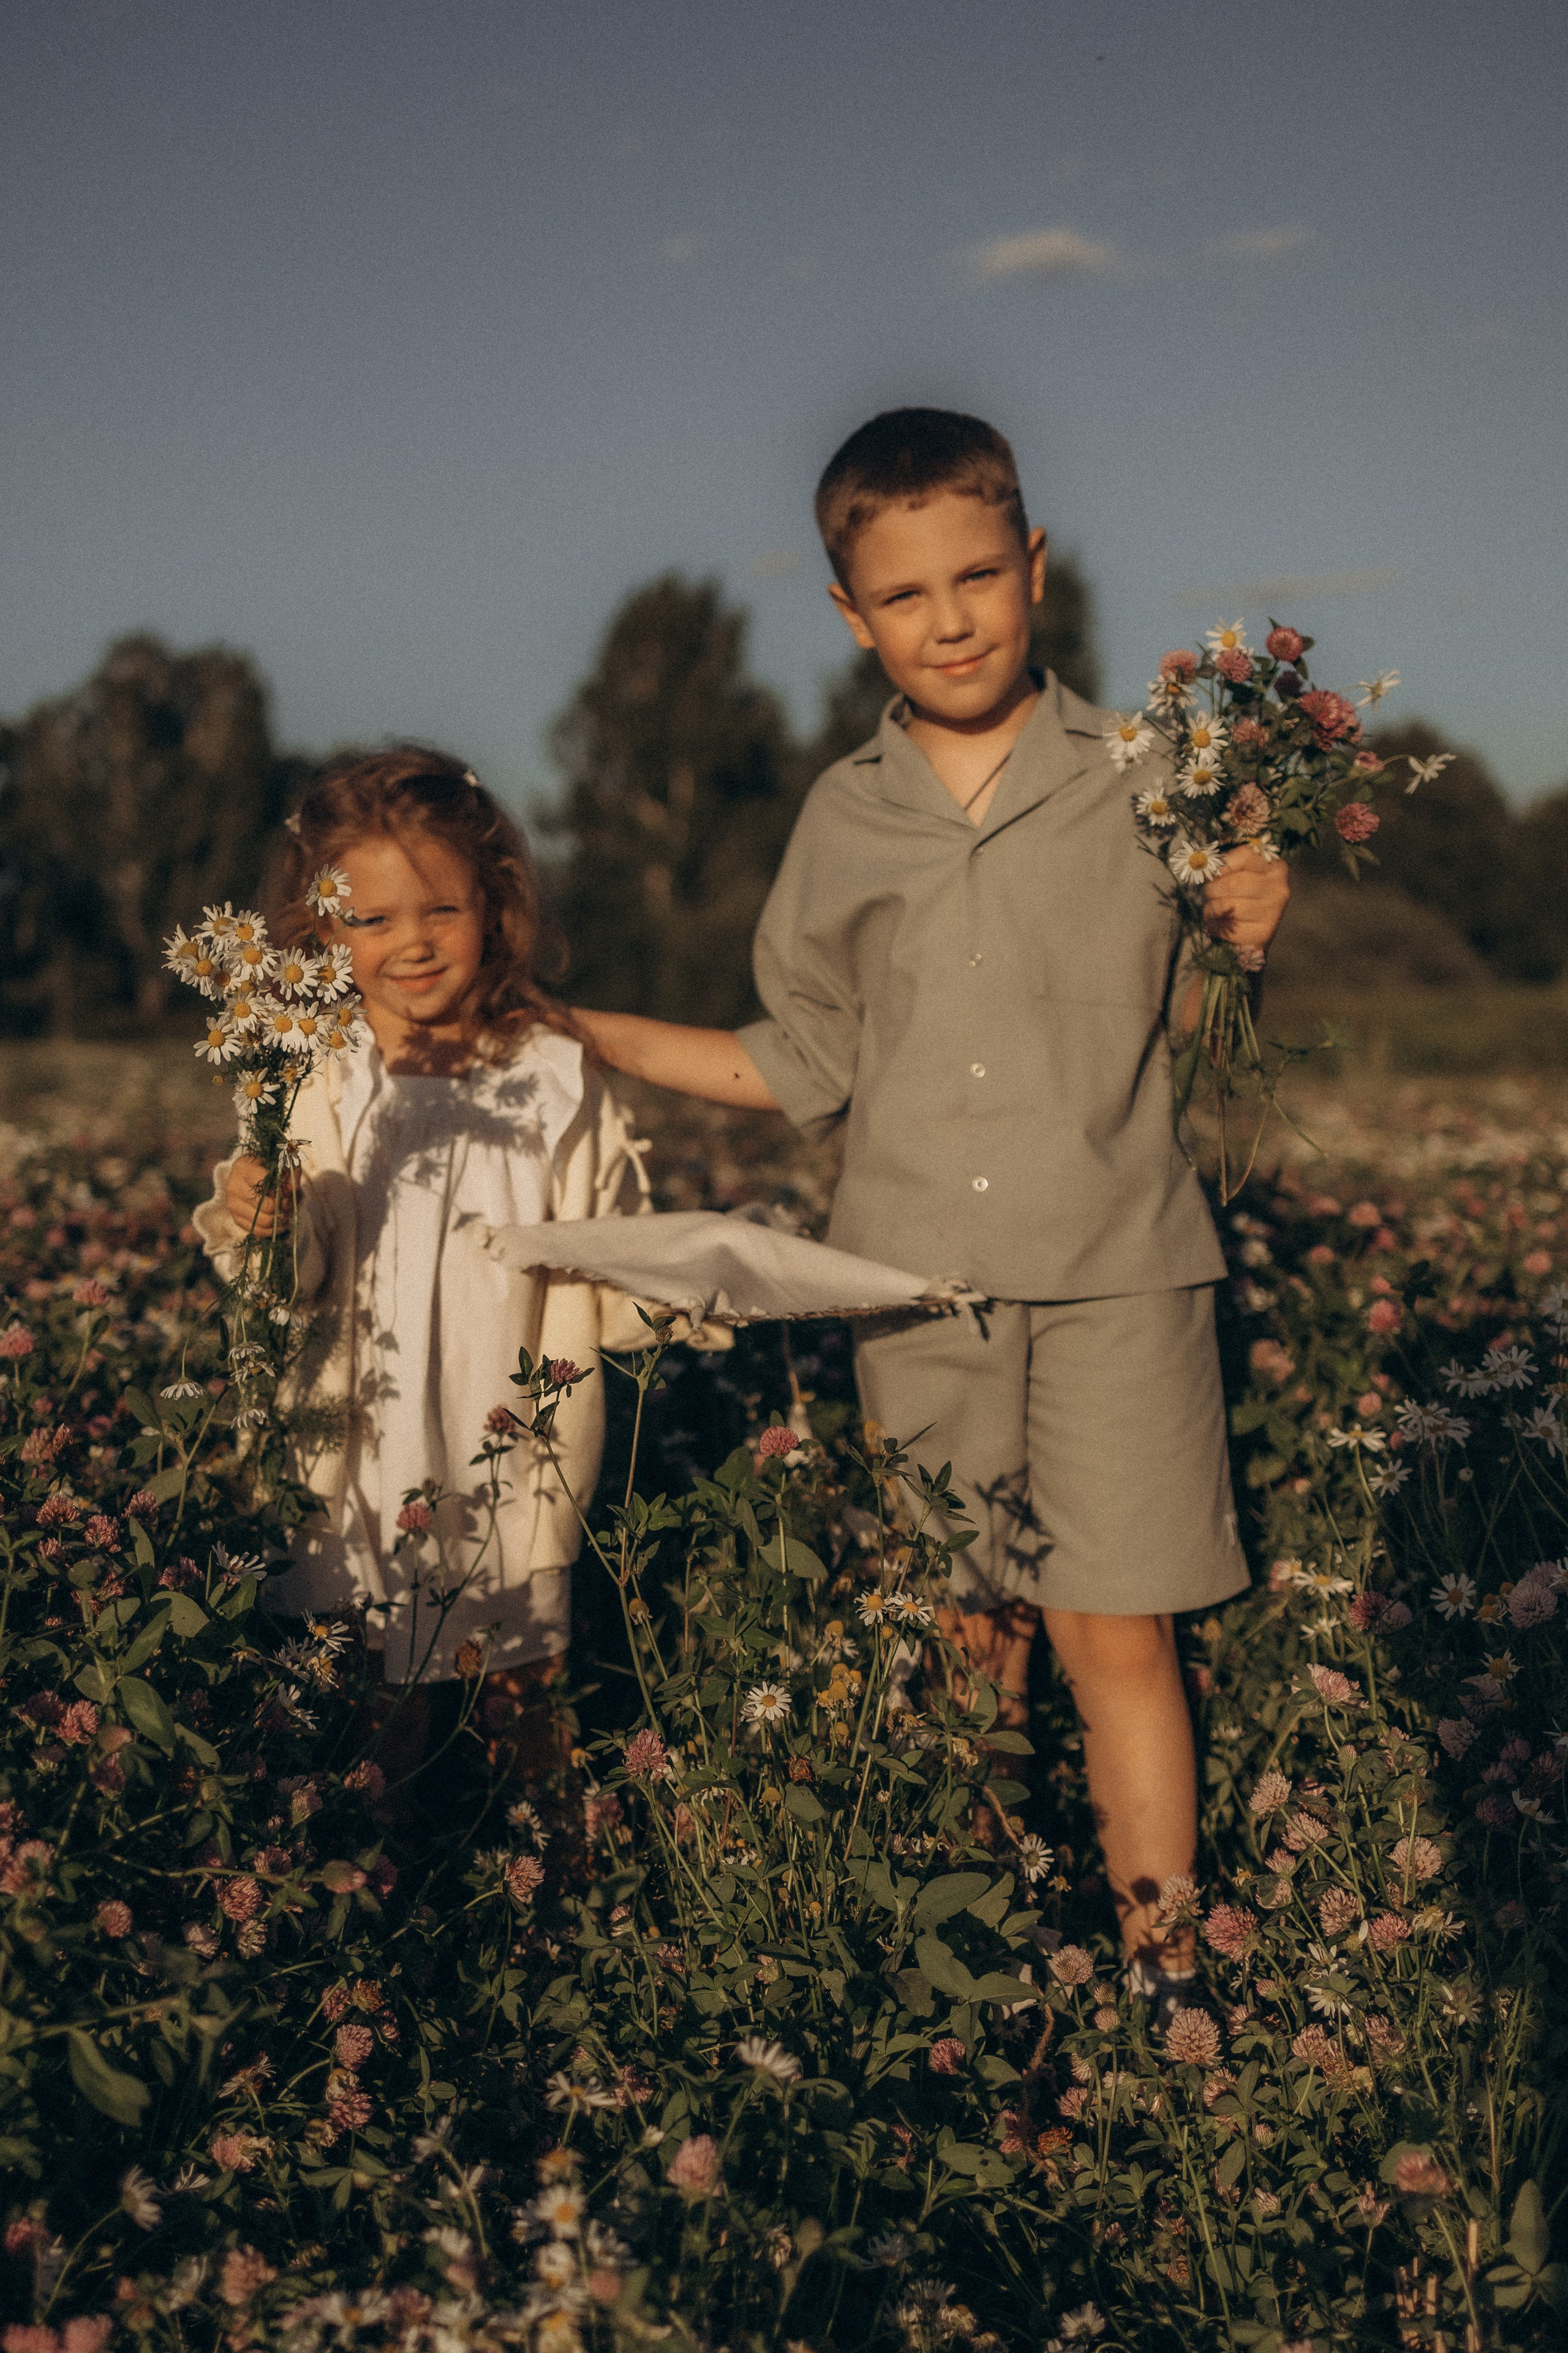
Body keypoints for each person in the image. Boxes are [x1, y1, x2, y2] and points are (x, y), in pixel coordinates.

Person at [570, 408, 1291, 2004]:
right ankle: (982, 1989)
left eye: (980, 575)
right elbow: (799, 1056)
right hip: (912, 1290)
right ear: (850, 616)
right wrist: (595, 1032)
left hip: (1121, 1276)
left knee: (1119, 1640)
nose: (951, 618)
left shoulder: (1149, 778)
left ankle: (1166, 1978)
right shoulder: (843, 819)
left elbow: (1197, 1029)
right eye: (906, 596)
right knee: (968, 1642)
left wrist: (1244, 928)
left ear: (1035, 566)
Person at [193, 747, 660, 1775]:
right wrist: (261, 1214)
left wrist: (696, 1281)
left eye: (440, 910)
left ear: (494, 904)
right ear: (323, 929)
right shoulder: (313, 1074)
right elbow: (291, 1271)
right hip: (359, 1449)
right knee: (371, 1727)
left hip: (510, 1442)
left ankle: (550, 1907)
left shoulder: (554, 1079)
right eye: (372, 919)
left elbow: (612, 1261)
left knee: (522, 1709)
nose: (410, 942)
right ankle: (393, 1910)